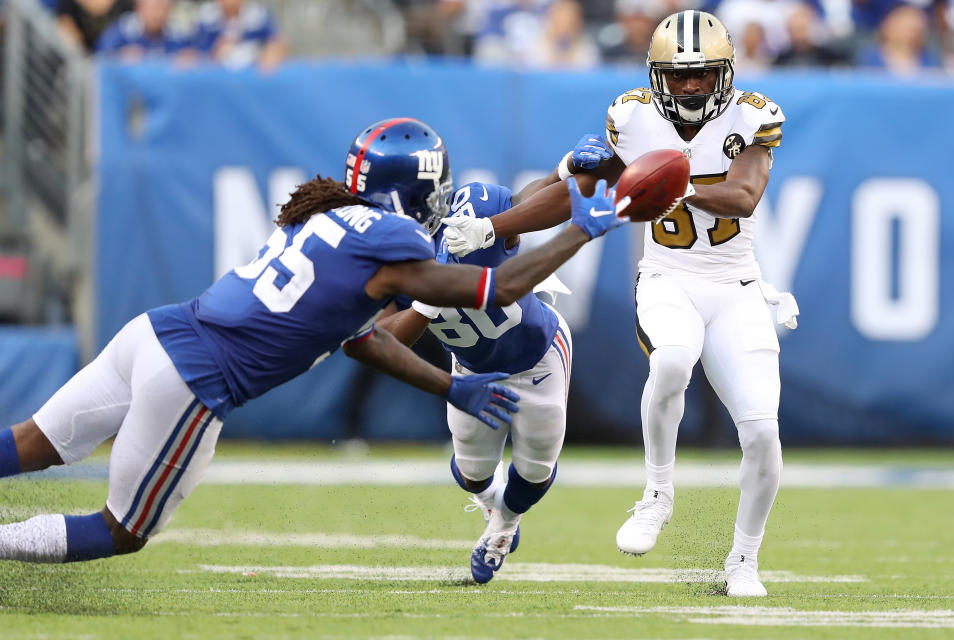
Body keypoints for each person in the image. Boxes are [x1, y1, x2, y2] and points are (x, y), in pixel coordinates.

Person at [0, 117, 624, 565]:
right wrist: (583, 229)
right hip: (195, 378)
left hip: (153, 331)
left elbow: (365, 343)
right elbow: (501, 285)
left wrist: (450, 386)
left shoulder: (320, 214)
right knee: (123, 530)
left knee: (34, 442)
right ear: (418, 189)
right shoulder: (395, 243)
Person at [439, 11, 797, 597]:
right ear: (656, 76)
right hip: (667, 275)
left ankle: (743, 561)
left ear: (725, 73)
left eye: (702, 75)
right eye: (677, 76)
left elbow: (744, 196)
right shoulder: (631, 116)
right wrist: (495, 227)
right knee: (673, 359)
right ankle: (657, 493)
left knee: (762, 434)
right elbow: (573, 191)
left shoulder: (754, 116)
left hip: (736, 286)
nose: (688, 87)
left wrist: (670, 183)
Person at [376, 134, 608, 583]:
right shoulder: (378, 254)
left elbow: (523, 206)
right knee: (472, 471)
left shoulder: (472, 207)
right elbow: (379, 340)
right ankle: (490, 503)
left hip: (537, 353)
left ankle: (504, 525)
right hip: (472, 366)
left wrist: (564, 169)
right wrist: (428, 300)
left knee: (537, 467)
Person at [192, 0, 287, 70]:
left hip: (252, 76)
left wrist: (272, 52)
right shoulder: (206, 16)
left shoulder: (258, 13)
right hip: (217, 79)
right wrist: (215, 52)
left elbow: (278, 41)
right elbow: (195, 52)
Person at [95, 0, 194, 61]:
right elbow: (101, 53)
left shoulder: (177, 33)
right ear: (138, 8)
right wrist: (119, 55)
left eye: (162, 7)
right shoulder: (123, 29)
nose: (157, 14)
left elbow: (194, 55)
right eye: (152, 7)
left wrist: (188, 57)